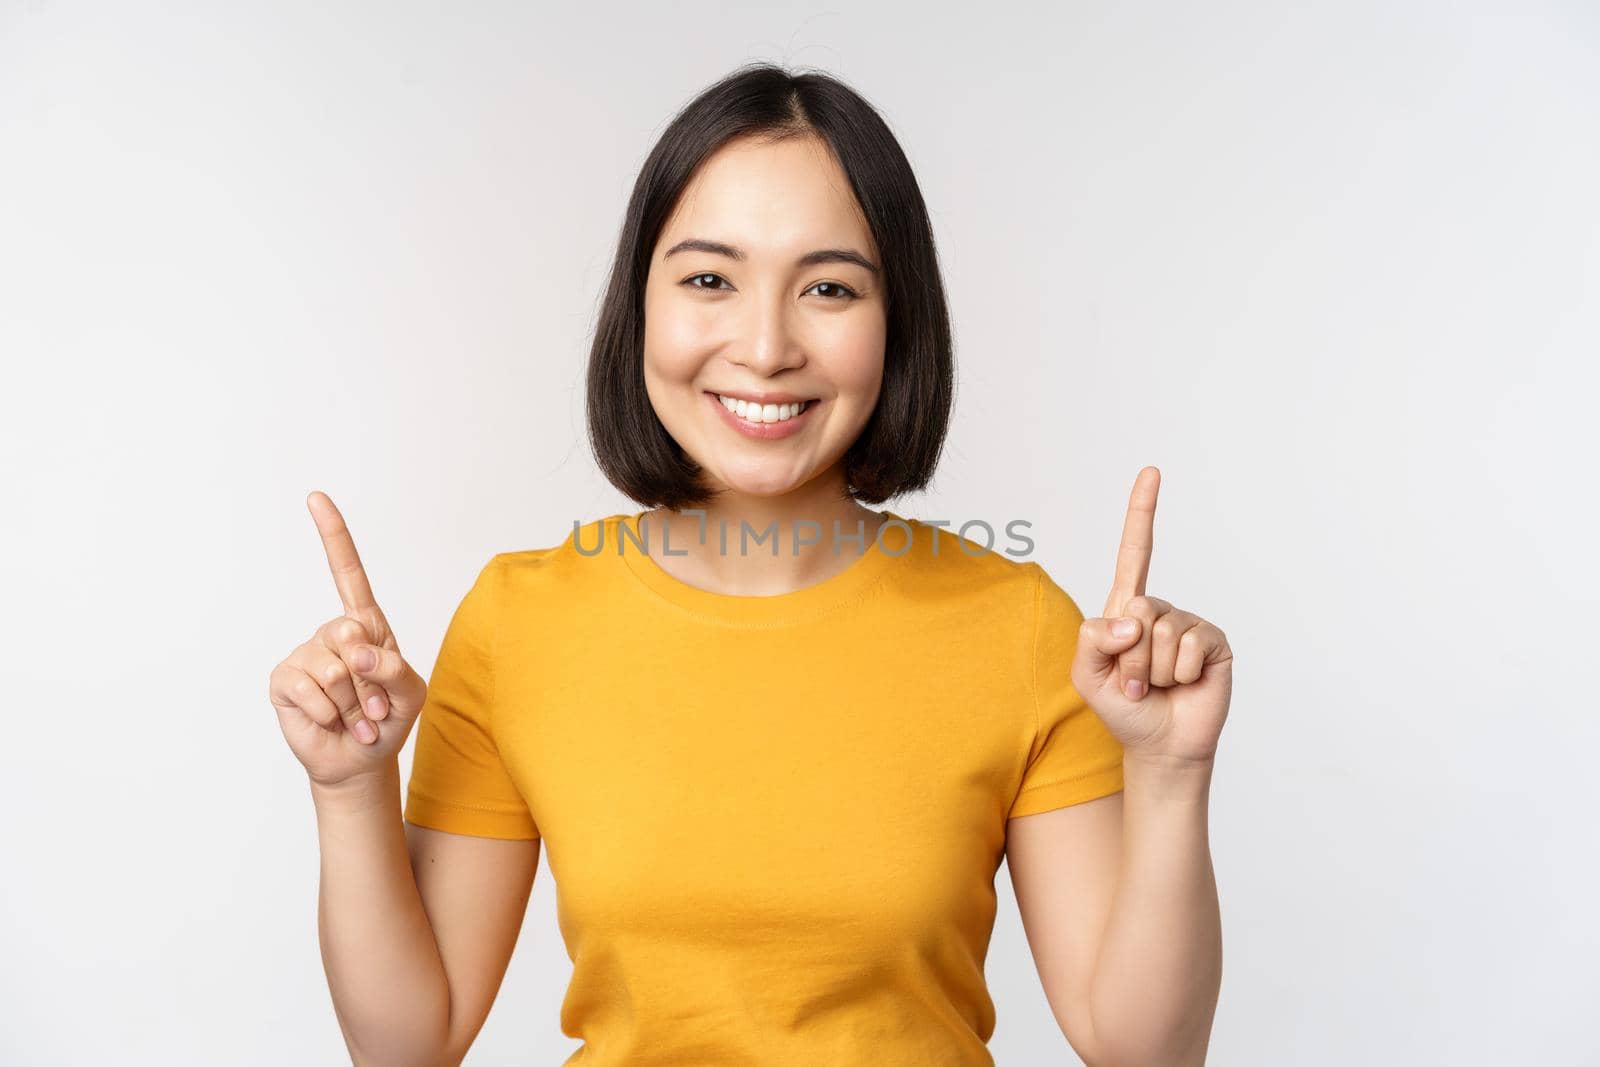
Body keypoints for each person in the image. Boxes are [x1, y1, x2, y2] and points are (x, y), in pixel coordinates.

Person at [269, 61, 1231, 1067]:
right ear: (639, 304)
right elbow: (407, 1044)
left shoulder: (1022, 625)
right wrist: (349, 792)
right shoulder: (520, 623)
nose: (766, 345)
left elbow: (1141, 1052)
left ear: (895, 318)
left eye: (827, 287)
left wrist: (1169, 774)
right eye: (708, 279)